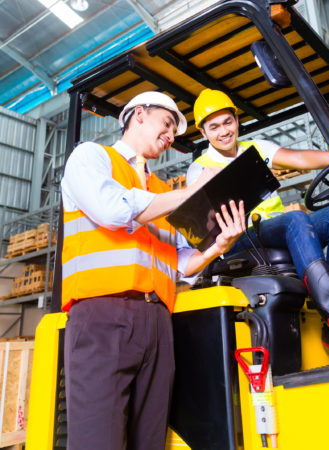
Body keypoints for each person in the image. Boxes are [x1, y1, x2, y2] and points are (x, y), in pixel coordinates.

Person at [61, 91, 245, 450]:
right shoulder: (92, 158)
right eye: (167, 123)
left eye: (175, 130)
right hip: (103, 317)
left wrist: (217, 247)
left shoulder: (161, 190)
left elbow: (181, 263)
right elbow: (112, 210)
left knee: (150, 443)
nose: (172, 134)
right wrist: (192, 192)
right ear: (139, 115)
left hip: (158, 323)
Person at [186, 88, 329, 364]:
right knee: (296, 219)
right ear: (204, 133)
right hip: (238, 238)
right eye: (214, 127)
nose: (223, 131)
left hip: (271, 229)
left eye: (227, 122)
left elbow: (299, 158)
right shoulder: (200, 168)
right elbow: (202, 221)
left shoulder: (256, 149)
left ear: (237, 121)